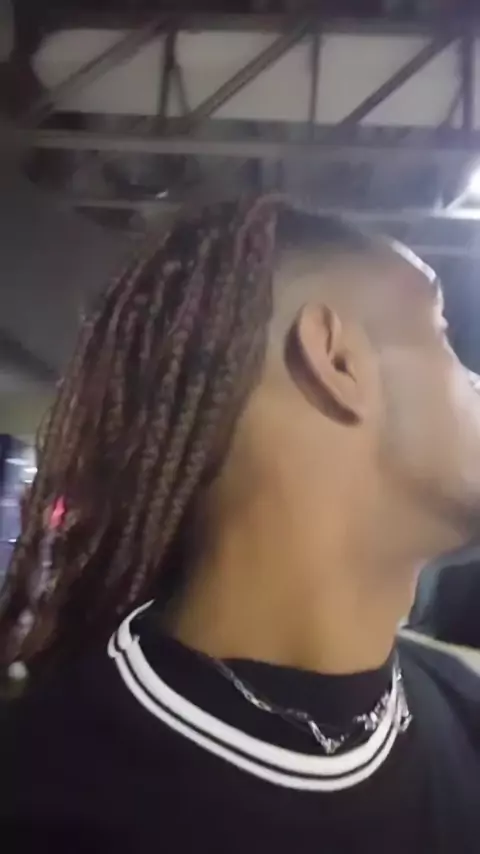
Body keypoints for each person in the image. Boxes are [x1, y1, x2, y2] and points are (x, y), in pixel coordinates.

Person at [1, 197, 480, 852]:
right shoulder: (48, 808)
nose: (475, 381)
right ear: (337, 360)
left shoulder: (462, 702)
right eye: (441, 334)